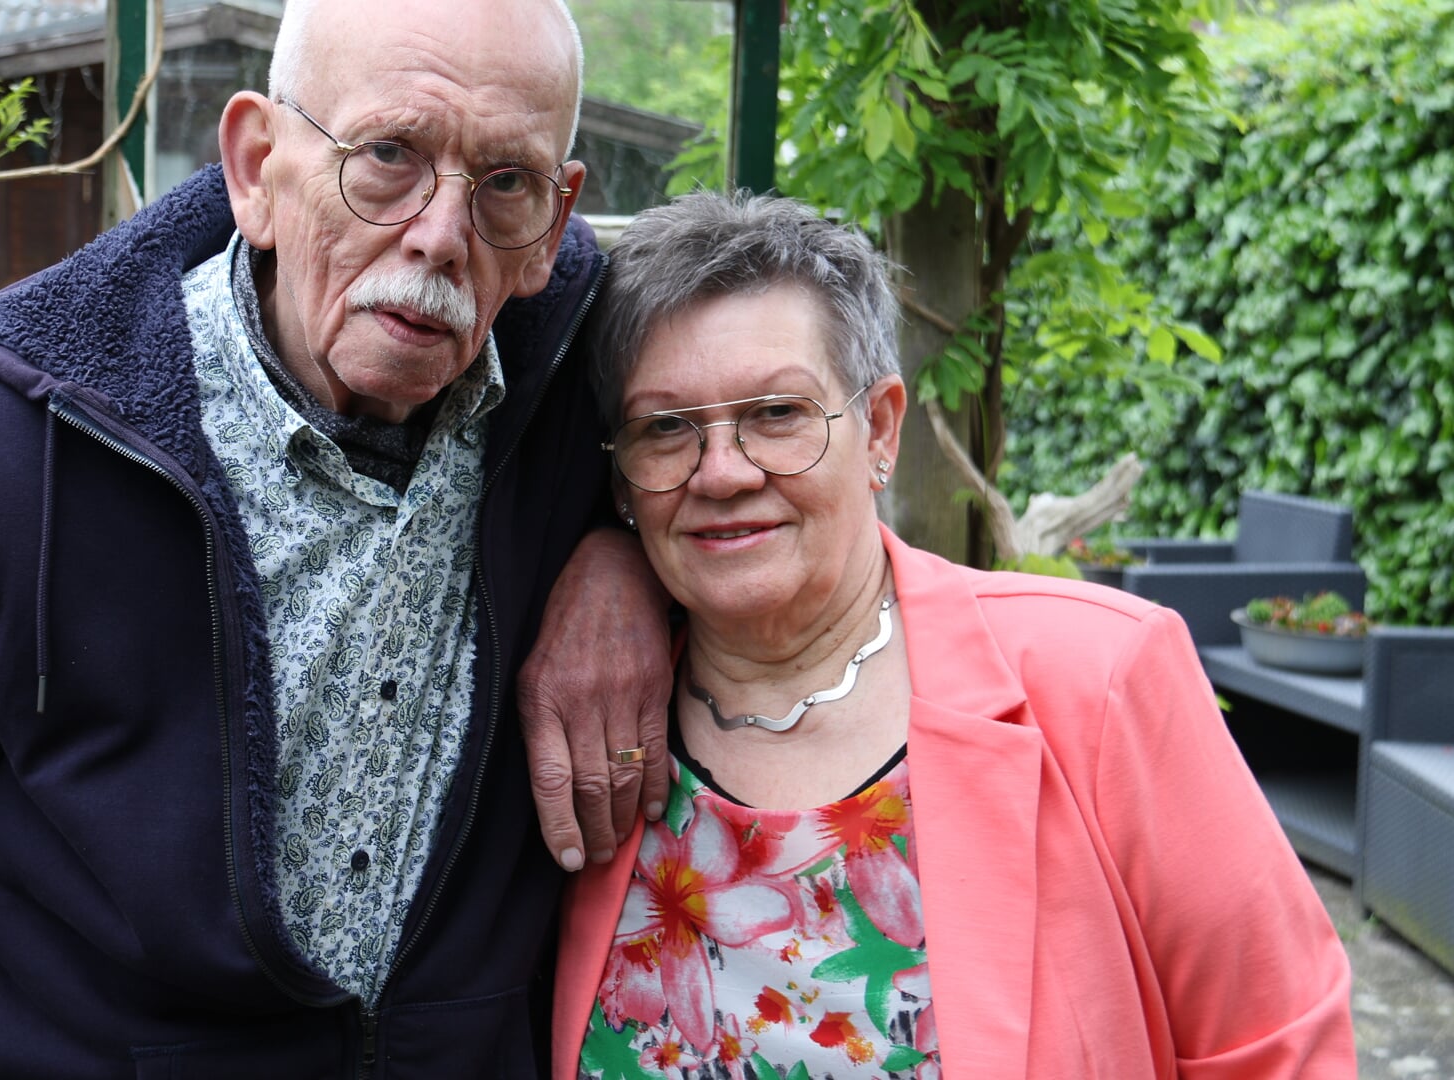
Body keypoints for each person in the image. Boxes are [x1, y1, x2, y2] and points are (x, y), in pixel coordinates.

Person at [0, 1, 675, 1075]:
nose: (438, 232)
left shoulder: (575, 400)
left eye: (504, 182)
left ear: (555, 223)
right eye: (388, 156)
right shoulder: (3, 447)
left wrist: (628, 548)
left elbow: (774, 441)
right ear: (254, 166)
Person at [552, 192, 1356, 1079]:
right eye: (666, 428)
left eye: (777, 413)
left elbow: (1282, 1046)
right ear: (621, 475)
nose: (724, 471)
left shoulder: (1100, 677)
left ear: (879, 430)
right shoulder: (587, 711)